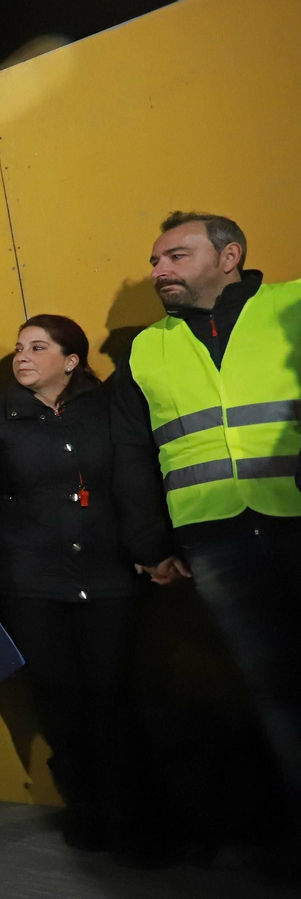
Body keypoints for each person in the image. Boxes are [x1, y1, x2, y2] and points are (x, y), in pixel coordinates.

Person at [110, 211, 301, 866]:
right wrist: (148, 541)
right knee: (274, 693)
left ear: (230, 256)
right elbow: (135, 454)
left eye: (175, 256)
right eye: (157, 259)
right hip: (216, 539)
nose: (159, 271)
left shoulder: (293, 305)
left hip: (293, 518)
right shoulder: (147, 347)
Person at [0, 315, 156, 855]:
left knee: (113, 699)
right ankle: (86, 815)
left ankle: (134, 823)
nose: (22, 356)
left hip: (109, 579)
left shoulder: (110, 407)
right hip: (31, 583)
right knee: (60, 702)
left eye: (38, 347)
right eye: (18, 347)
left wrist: (151, 548)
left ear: (71, 361)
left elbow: (138, 478)